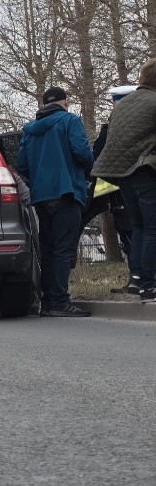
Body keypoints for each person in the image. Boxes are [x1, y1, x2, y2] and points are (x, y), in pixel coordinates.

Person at [16, 86, 95, 317]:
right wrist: (90, 171)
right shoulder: (70, 121)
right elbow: (81, 151)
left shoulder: (29, 131)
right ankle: (60, 301)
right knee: (63, 249)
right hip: (66, 192)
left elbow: (22, 166)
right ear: (64, 102)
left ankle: (48, 300)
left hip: (40, 197)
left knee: (48, 249)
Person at [92, 59, 156, 303]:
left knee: (139, 226)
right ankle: (150, 285)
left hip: (120, 173)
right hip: (143, 171)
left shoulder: (122, 104)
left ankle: (137, 279)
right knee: (152, 228)